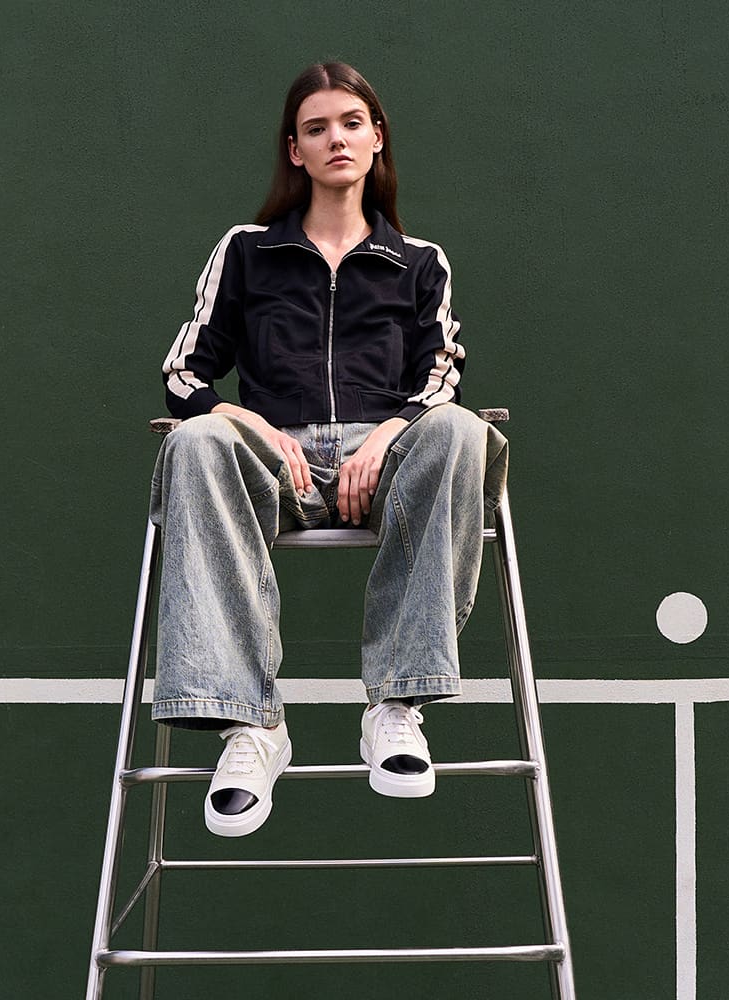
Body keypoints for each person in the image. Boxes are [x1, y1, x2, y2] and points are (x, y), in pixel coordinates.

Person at [150, 62, 508, 838]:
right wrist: (245, 422)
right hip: (274, 460)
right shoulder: (246, 251)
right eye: (316, 128)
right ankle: (251, 726)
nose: (336, 139)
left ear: (377, 139)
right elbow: (184, 373)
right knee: (197, 441)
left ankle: (395, 705)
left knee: (459, 429)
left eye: (351, 123)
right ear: (296, 151)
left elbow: (441, 376)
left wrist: (386, 435)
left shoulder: (420, 262)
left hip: (386, 463)